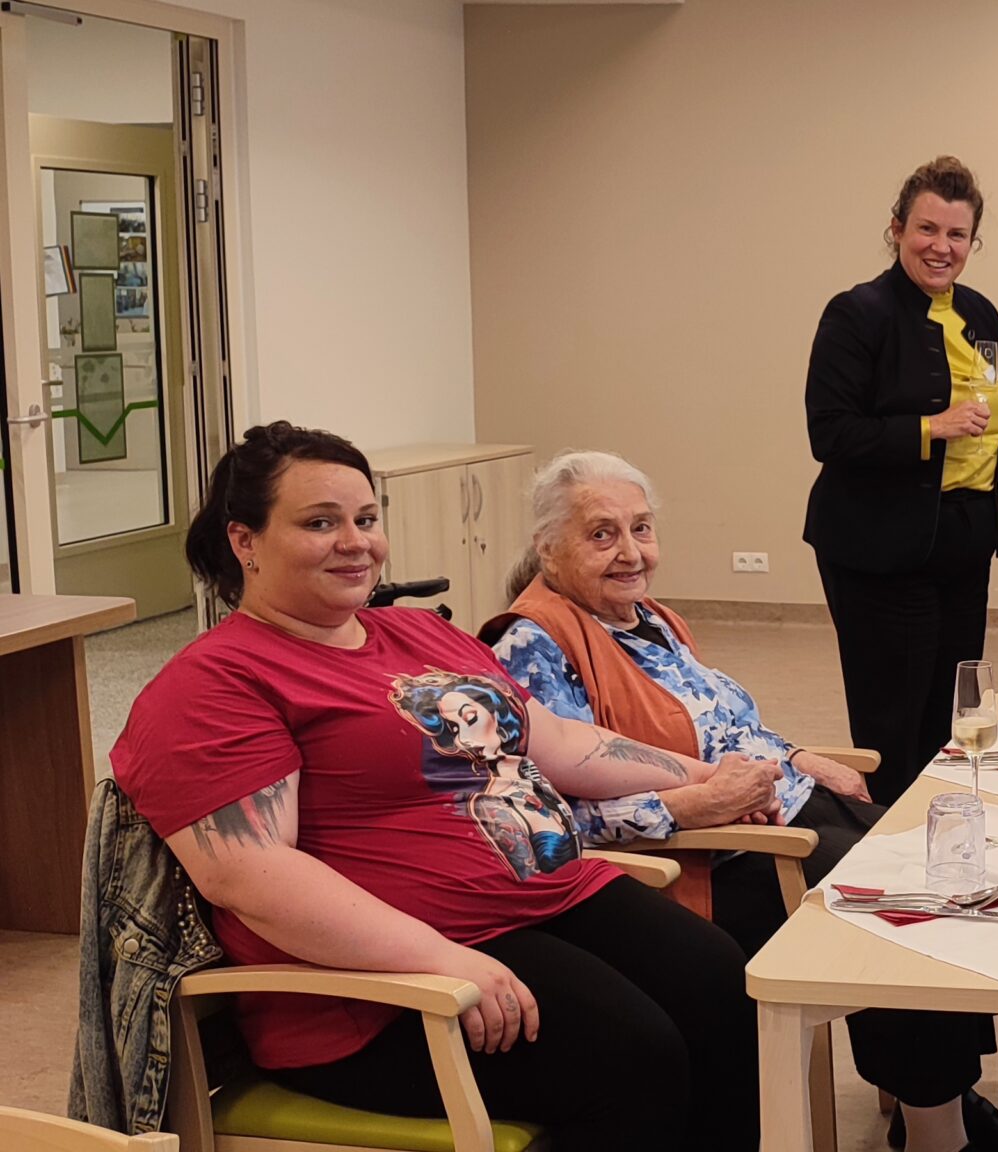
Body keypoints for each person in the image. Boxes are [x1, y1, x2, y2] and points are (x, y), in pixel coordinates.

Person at [113, 423, 769, 1152]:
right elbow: (251, 877)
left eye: (366, 519)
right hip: (379, 990)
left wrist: (708, 775)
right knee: (635, 1057)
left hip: (544, 900)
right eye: (320, 523)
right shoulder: (216, 682)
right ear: (245, 541)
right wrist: (438, 957)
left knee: (722, 983)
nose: (356, 543)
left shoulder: (419, 635)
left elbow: (557, 740)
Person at [483, 449, 998, 1152]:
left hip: (776, 809)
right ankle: (937, 1127)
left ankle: (936, 1098)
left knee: (948, 861)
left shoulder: (649, 618)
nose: (631, 552)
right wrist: (692, 806)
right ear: (547, 548)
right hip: (705, 860)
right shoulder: (531, 645)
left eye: (641, 529)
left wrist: (799, 757)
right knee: (904, 902)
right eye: (601, 534)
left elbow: (728, 726)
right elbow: (552, 816)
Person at [804, 155, 998, 805]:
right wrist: (931, 427)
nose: (941, 247)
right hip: (880, 547)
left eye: (957, 235)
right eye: (927, 229)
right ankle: (887, 839)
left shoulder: (979, 313)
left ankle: (946, 826)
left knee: (952, 715)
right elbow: (830, 434)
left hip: (962, 544)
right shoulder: (857, 313)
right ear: (896, 228)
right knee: (893, 721)